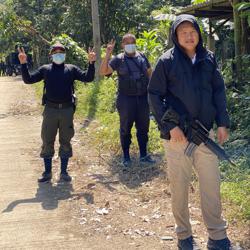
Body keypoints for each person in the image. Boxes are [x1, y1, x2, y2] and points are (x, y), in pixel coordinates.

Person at [148, 15, 232, 250]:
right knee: (180, 187)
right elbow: (154, 95)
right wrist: (170, 127)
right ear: (175, 36)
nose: (188, 35)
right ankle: (184, 235)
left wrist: (222, 123)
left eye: (192, 30)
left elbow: (218, 92)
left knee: (211, 186)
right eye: (182, 31)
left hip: (205, 135)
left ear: (199, 33)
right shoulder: (166, 61)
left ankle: (217, 236)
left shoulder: (208, 59)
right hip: (178, 138)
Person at [18, 42, 96, 182]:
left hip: (67, 110)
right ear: (51, 55)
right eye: (55, 52)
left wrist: (91, 63)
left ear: (65, 55)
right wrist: (23, 64)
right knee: (47, 140)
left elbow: (88, 78)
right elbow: (28, 80)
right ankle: (47, 173)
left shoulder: (71, 69)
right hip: (50, 110)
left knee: (65, 140)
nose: (58, 55)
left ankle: (64, 172)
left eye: (61, 52)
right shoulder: (45, 69)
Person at [99, 34, 155, 166]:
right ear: (123, 45)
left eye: (132, 42)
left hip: (142, 98)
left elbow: (150, 74)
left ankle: (143, 155)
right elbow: (103, 72)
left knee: (143, 128)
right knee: (125, 128)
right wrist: (108, 53)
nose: (130, 45)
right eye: (127, 43)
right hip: (125, 100)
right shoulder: (118, 59)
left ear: (135, 43)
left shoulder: (142, 57)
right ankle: (126, 157)